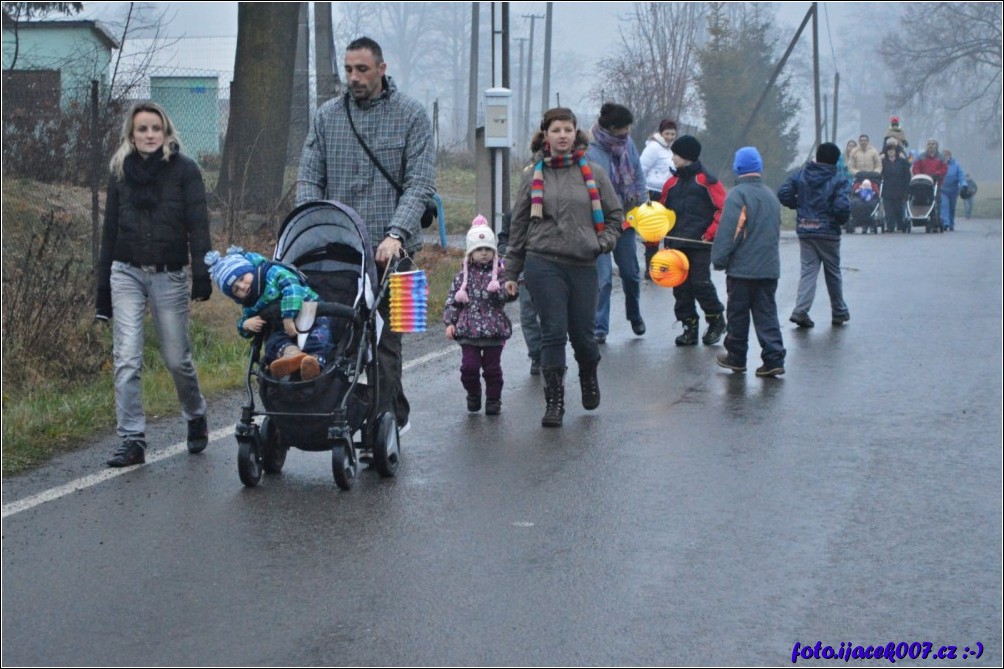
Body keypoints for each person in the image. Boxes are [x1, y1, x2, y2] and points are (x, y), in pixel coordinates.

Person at [296, 36, 435, 435]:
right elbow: (309, 176)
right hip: (340, 250)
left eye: (362, 69)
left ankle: (384, 421)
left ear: (381, 69)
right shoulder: (326, 117)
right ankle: (357, 409)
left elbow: (420, 182)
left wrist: (396, 233)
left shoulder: (412, 116)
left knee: (389, 340)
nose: (353, 77)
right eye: (349, 69)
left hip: (399, 252)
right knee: (337, 333)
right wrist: (311, 225)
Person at [95, 101, 211, 468]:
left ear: (166, 133)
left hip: (169, 273)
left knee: (177, 359)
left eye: (155, 129)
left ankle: (195, 414)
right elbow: (109, 232)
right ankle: (132, 439)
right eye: (142, 129)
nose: (149, 135)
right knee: (127, 358)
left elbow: (198, 225)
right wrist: (102, 292)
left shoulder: (185, 171)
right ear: (131, 133)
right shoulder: (119, 173)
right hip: (125, 272)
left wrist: (202, 273)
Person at [503, 107, 622, 428]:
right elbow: (519, 227)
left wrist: (603, 243)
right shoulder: (532, 175)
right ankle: (554, 402)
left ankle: (588, 374)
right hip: (543, 262)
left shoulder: (595, 173)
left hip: (584, 263)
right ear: (545, 134)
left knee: (583, 336)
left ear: (575, 133)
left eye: (568, 129)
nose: (562, 135)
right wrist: (510, 273)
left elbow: (615, 216)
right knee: (553, 332)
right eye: (556, 130)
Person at [711, 147, 786, 377]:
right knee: (767, 314)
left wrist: (719, 259)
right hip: (768, 269)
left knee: (738, 314)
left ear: (738, 168)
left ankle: (736, 357)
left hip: (743, 270)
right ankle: (773, 358)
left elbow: (730, 232)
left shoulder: (738, 194)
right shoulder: (770, 195)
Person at [205, 246, 331, 380]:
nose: (242, 287)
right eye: (236, 289)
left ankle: (314, 361)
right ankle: (292, 355)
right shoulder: (249, 303)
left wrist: (288, 317)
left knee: (319, 335)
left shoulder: (272, 273)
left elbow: (292, 286)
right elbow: (244, 323)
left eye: (242, 279)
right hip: (282, 329)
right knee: (272, 341)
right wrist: (245, 325)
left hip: (311, 313)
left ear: (250, 270)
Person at [586, 102, 648, 343]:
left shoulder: (628, 144)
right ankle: (599, 328)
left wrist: (643, 205)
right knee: (602, 279)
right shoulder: (589, 149)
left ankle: (634, 314)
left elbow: (638, 173)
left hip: (626, 219)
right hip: (599, 223)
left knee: (631, 274)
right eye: (624, 128)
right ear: (611, 128)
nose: (628, 132)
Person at [659, 134, 727, 346]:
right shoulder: (670, 183)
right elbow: (662, 212)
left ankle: (716, 320)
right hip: (675, 244)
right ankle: (689, 327)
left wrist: (709, 233)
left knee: (701, 284)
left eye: (676, 155)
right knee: (680, 288)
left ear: (687, 156)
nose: (672, 159)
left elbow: (723, 209)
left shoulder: (707, 181)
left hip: (700, 244)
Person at [443, 216, 513, 415]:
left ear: (494, 252)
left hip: (493, 331)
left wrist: (505, 290)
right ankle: (473, 393)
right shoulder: (461, 278)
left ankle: (493, 399)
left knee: (492, 370)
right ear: (470, 254)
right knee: (468, 368)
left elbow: (504, 299)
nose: (483, 253)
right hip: (468, 330)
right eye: (478, 250)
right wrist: (450, 322)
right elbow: (452, 301)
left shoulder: (500, 276)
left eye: (487, 249)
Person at [777, 142, 852, 329]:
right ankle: (838, 311)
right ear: (836, 160)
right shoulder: (839, 178)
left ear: (817, 157)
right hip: (828, 232)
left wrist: (799, 205)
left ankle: (800, 310)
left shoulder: (802, 174)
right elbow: (842, 207)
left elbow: (783, 193)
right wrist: (839, 219)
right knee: (833, 272)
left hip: (805, 229)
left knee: (808, 271)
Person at [498, 210, 542, 375]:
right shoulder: (513, 214)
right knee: (528, 316)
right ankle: (536, 355)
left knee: (549, 315)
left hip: (550, 271)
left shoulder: (553, 207)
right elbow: (503, 239)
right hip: (523, 273)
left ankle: (553, 354)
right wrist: (508, 251)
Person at [640, 118, 678, 280]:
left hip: (669, 193)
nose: (670, 137)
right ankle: (650, 268)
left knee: (670, 231)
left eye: (672, 134)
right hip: (653, 193)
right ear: (661, 133)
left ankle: (666, 266)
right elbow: (641, 169)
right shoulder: (654, 148)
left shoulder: (672, 150)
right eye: (667, 133)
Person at [881, 141, 912, 232]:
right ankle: (890, 227)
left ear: (896, 151)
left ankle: (901, 225)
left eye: (893, 150)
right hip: (887, 189)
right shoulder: (883, 162)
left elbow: (907, 174)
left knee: (899, 208)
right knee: (888, 209)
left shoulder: (902, 161)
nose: (891, 152)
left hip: (900, 188)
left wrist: (907, 186)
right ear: (886, 151)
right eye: (889, 150)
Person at [940, 149, 964, 231]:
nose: (945, 157)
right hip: (943, 189)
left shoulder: (956, 165)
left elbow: (961, 176)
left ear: (950, 156)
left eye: (947, 155)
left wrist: (963, 185)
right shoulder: (940, 164)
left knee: (952, 207)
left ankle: (951, 223)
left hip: (954, 190)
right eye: (943, 155)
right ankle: (945, 223)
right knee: (944, 205)